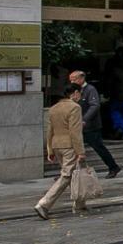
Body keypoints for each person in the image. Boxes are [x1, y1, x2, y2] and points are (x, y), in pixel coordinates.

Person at [36, 84, 89, 219]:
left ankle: (80, 203)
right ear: (75, 93)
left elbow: (50, 130)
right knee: (67, 175)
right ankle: (44, 204)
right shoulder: (75, 108)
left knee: (75, 173)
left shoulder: (54, 108)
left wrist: (49, 150)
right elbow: (75, 132)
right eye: (80, 94)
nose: (80, 97)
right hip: (69, 146)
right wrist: (80, 151)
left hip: (57, 145)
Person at [68, 69, 121, 179]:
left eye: (74, 79)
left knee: (98, 147)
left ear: (82, 78)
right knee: (72, 148)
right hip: (77, 125)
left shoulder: (90, 90)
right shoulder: (73, 90)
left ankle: (113, 167)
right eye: (71, 80)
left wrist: (85, 119)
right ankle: (67, 172)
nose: (72, 82)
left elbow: (94, 106)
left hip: (90, 126)